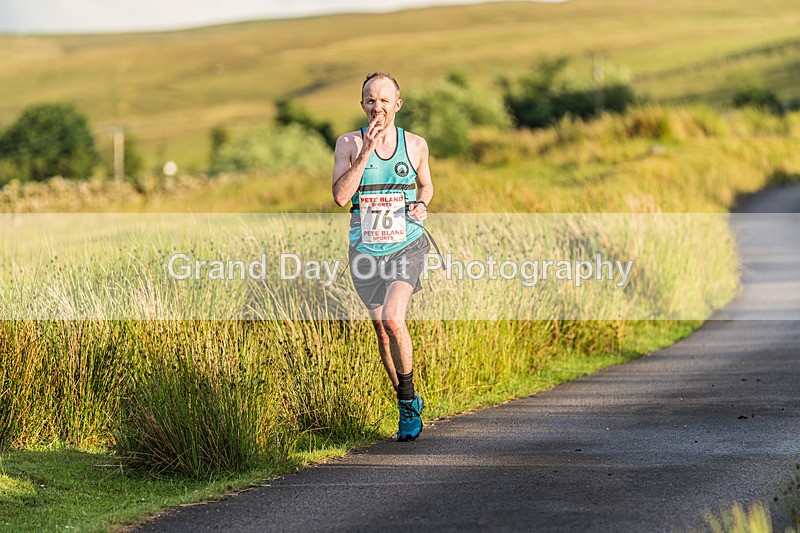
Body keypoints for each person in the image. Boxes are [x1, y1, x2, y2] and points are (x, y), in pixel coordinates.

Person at [332, 72, 434, 442]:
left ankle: (407, 406)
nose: (378, 108)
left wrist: (422, 204)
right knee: (379, 328)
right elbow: (342, 197)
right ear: (362, 104)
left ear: (397, 105)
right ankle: (406, 397)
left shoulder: (416, 144)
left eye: (384, 101)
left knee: (393, 318)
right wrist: (365, 154)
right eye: (370, 100)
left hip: (407, 243)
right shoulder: (348, 143)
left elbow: (426, 183)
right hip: (364, 249)